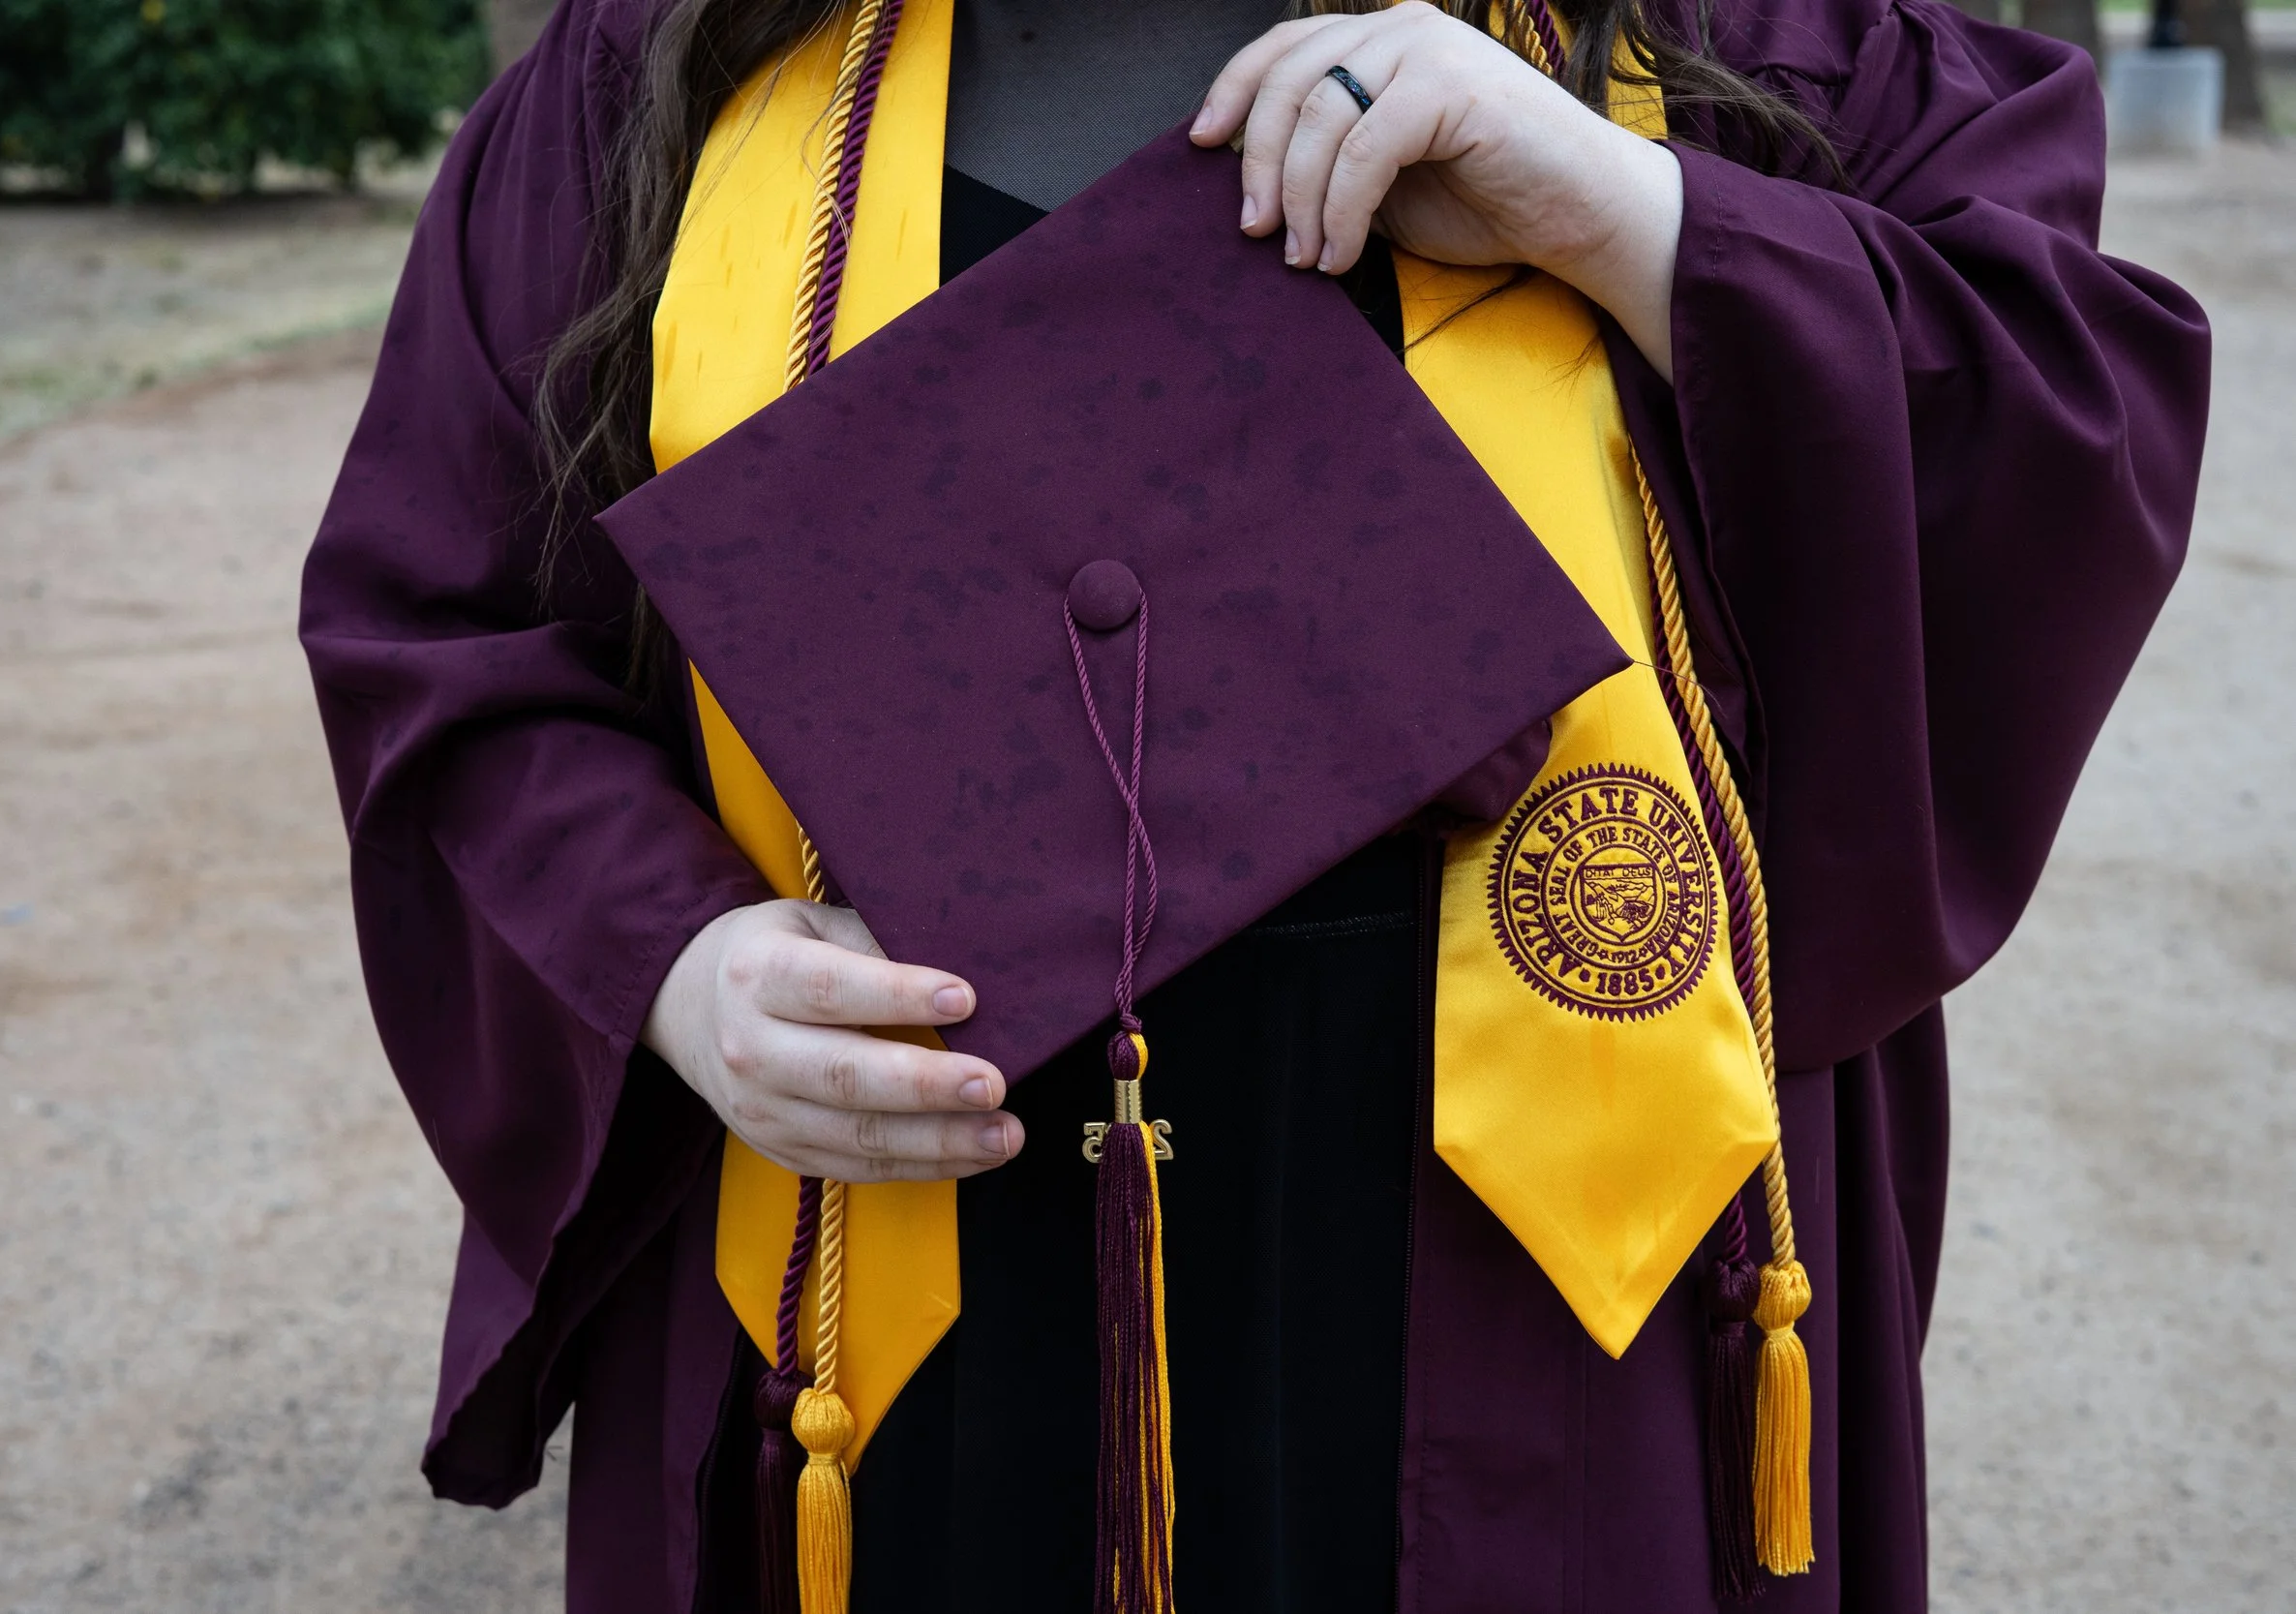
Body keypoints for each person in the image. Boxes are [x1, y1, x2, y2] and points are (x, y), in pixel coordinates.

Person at [298, 0, 2208, 1609]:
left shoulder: (1732, 38)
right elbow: (447, 625)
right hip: (923, 1244)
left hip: (1544, 1274)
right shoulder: (664, 77)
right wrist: (678, 955)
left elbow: (2053, 405)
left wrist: (1631, 216)